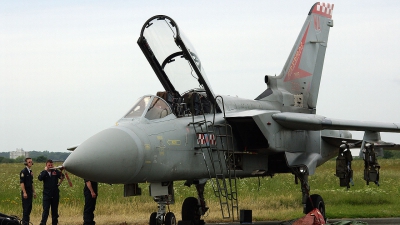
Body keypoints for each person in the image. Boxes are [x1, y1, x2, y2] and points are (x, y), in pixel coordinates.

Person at [38, 159, 64, 225]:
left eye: (51, 165)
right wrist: (45, 171)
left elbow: (62, 176)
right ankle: (43, 223)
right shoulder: (44, 172)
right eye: (49, 165)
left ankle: (54, 223)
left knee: (54, 210)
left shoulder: (55, 171)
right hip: (47, 194)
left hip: (55, 194)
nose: (50, 166)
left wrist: (59, 183)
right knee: (46, 210)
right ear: (46, 165)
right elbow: (40, 178)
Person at [20, 157, 37, 225]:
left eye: (31, 162)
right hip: (26, 192)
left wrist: (34, 192)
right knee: (26, 209)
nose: (31, 163)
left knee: (29, 208)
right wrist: (24, 192)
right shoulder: (23, 172)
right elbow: (22, 183)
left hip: (30, 192)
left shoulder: (30, 172)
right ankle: (25, 223)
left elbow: (31, 183)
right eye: (29, 162)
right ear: (26, 163)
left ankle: (27, 222)